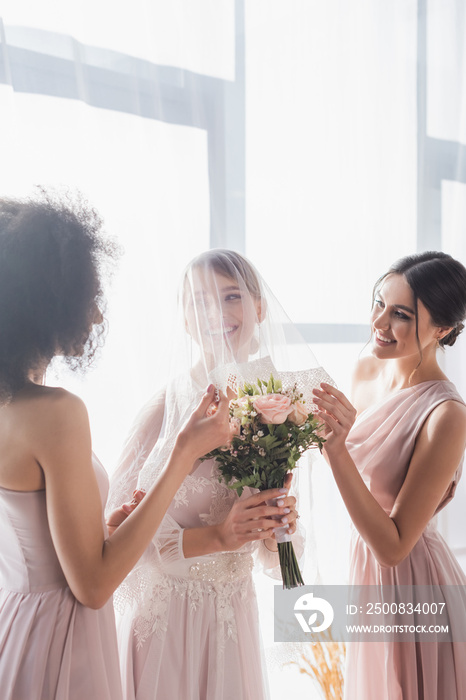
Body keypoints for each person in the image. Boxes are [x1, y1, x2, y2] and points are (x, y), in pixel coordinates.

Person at [0, 192, 233, 700]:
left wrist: (102, 529)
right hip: (61, 635)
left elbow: (41, 540)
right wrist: (183, 453)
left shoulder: (10, 407)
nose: (97, 318)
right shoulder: (57, 412)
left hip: (19, 618)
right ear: (45, 303)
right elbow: (94, 584)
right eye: (87, 298)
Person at [107, 249, 333, 700]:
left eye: (231, 297)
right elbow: (115, 538)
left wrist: (276, 528)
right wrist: (219, 537)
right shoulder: (163, 410)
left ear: (259, 306)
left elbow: (275, 550)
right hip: (167, 620)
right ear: (184, 319)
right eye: (199, 301)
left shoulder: (279, 407)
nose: (216, 312)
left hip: (233, 619)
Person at [312, 251, 466, 700]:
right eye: (379, 303)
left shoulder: (447, 415)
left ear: (443, 329)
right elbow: (355, 472)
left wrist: (335, 448)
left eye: (400, 314)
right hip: (364, 572)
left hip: (414, 583)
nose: (379, 323)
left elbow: (394, 547)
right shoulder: (364, 371)